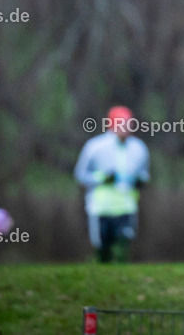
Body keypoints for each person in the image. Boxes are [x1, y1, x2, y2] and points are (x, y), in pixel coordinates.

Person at [74, 106, 150, 263]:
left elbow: (145, 174)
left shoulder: (139, 148)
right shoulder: (95, 147)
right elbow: (80, 175)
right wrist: (102, 179)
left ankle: (123, 276)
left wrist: (140, 181)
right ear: (112, 124)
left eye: (129, 123)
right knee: (103, 248)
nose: (126, 127)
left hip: (126, 206)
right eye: (122, 123)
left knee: (123, 243)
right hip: (101, 207)